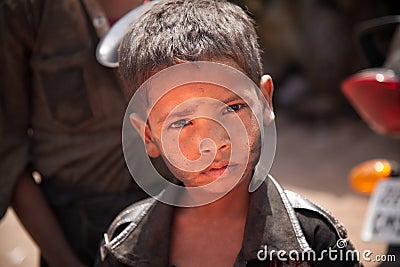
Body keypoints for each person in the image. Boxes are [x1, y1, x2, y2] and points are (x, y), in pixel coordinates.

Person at [95, 0, 363, 266]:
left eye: (232, 109)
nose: (211, 143)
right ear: (149, 137)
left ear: (265, 101)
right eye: (181, 123)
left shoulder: (314, 240)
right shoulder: (123, 244)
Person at [0, 1, 170, 266]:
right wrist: (66, 261)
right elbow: (7, 154)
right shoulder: (25, 11)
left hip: (180, 211)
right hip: (75, 228)